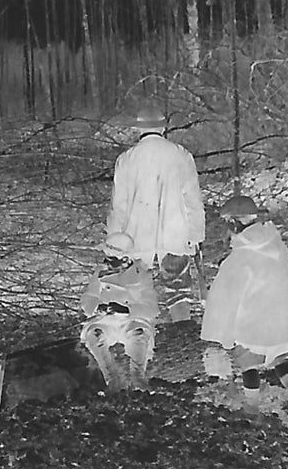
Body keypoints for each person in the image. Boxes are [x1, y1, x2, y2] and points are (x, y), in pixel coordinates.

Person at [200, 192, 288, 430]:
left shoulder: (242, 254)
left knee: (248, 365)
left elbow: (229, 295)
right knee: (280, 358)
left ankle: (252, 408)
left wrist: (222, 327)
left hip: (253, 325)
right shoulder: (276, 244)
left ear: (235, 222)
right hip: (283, 322)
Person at [107, 102, 205, 321]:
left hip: (135, 240)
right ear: (163, 128)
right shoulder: (181, 155)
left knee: (138, 295)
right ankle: (182, 342)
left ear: (138, 129)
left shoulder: (126, 159)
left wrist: (113, 244)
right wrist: (196, 236)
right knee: (177, 294)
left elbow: (118, 206)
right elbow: (193, 200)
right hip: (175, 237)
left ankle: (143, 345)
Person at [79, 231, 161, 391]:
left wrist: (126, 309)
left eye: (111, 259)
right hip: (106, 321)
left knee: (138, 334)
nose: (105, 262)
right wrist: (97, 307)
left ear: (124, 260)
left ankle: (138, 377)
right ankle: (111, 378)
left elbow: (151, 309)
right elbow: (88, 299)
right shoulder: (100, 274)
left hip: (130, 321)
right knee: (95, 335)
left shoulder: (141, 276)